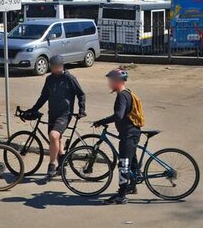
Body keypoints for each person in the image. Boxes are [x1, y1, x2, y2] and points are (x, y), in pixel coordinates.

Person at [26, 54, 87, 180]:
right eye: (53, 66)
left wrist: (82, 109)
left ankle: (52, 164)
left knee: (53, 135)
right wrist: (34, 109)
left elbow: (81, 94)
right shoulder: (49, 79)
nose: (54, 68)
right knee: (56, 140)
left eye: (56, 66)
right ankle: (62, 166)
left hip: (65, 114)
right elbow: (44, 96)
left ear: (61, 66)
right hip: (52, 113)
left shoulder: (69, 78)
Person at [93, 68, 141, 205]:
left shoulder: (122, 96)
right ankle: (132, 186)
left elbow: (119, 115)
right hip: (132, 132)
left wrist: (102, 121)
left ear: (118, 81)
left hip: (128, 134)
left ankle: (121, 195)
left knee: (123, 164)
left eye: (111, 80)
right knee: (131, 160)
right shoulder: (128, 93)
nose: (109, 83)